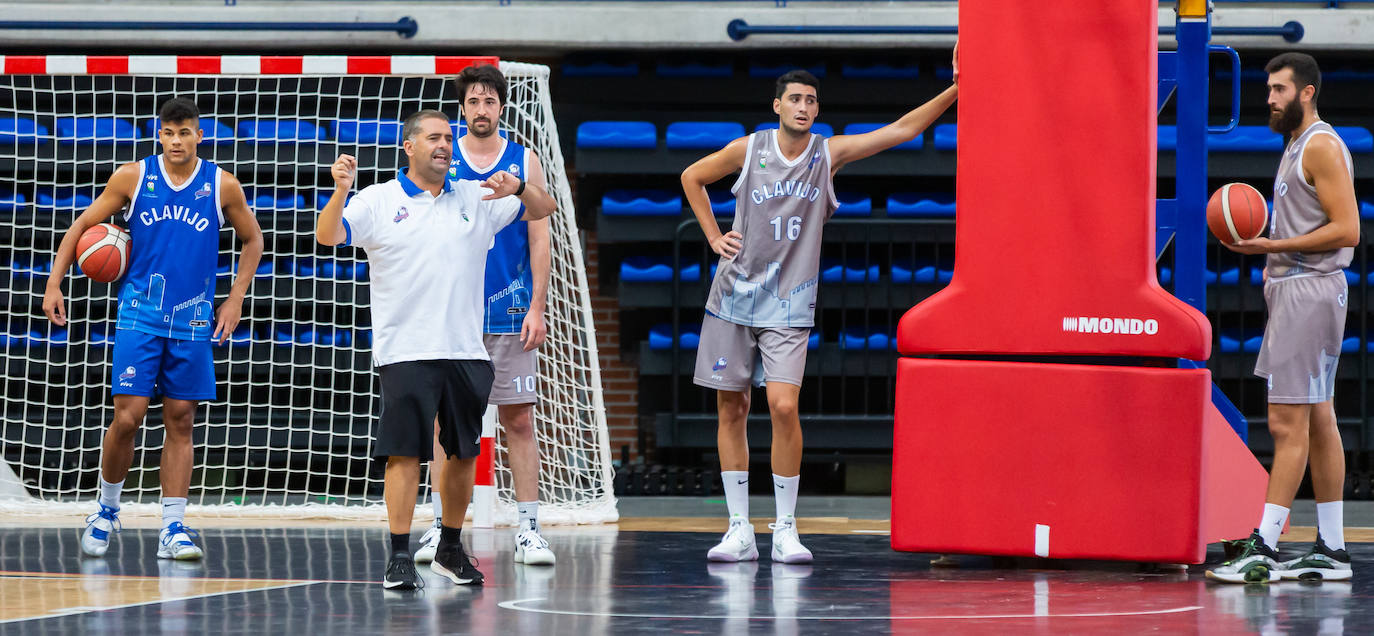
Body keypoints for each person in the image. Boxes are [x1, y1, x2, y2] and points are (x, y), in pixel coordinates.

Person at [680, 47, 959, 564]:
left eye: (811, 100)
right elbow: (691, 177)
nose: (804, 107)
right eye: (795, 99)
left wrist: (957, 88)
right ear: (777, 106)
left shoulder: (826, 155)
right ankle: (739, 528)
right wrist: (715, 237)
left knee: (783, 405)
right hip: (733, 298)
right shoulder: (750, 148)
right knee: (731, 407)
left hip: (789, 305)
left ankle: (785, 527)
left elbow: (899, 131)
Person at [315, 109, 555, 590]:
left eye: (448, 137)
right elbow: (327, 235)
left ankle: (450, 548)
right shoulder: (379, 199)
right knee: (405, 455)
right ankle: (400, 556)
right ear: (409, 146)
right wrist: (341, 188)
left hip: (466, 349)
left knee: (464, 454)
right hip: (405, 349)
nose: (444, 145)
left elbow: (543, 208)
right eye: (433, 138)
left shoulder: (475, 195)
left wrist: (519, 187)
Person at [42, 97, 263, 561]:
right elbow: (82, 224)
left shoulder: (222, 184)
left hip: (193, 318)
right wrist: (54, 283)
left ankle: (174, 525)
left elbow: (253, 238)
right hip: (140, 314)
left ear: (199, 135)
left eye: (185, 132)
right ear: (159, 134)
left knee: (182, 418)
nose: (176, 140)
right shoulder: (133, 176)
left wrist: (236, 297)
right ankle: (105, 509)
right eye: (168, 132)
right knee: (128, 418)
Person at [1208, 52, 1359, 584]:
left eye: (1278, 90)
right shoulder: (1297, 144)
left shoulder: (1319, 144)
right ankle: (1334, 548)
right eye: (1268, 89)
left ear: (1307, 92)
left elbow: (1348, 229)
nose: (1269, 99)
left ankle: (1264, 547)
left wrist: (1275, 243)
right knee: (1319, 421)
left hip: (1309, 292)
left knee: (1285, 422)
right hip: (1301, 292)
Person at [414, 65, 559, 567]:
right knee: (445, 427)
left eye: (489, 101)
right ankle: (439, 527)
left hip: (510, 310)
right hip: (452, 316)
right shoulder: (442, 160)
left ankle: (529, 529)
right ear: (463, 108)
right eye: (473, 101)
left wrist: (538, 305)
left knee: (518, 421)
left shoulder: (523, 160)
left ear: (501, 107)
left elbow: (541, 231)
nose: (481, 109)